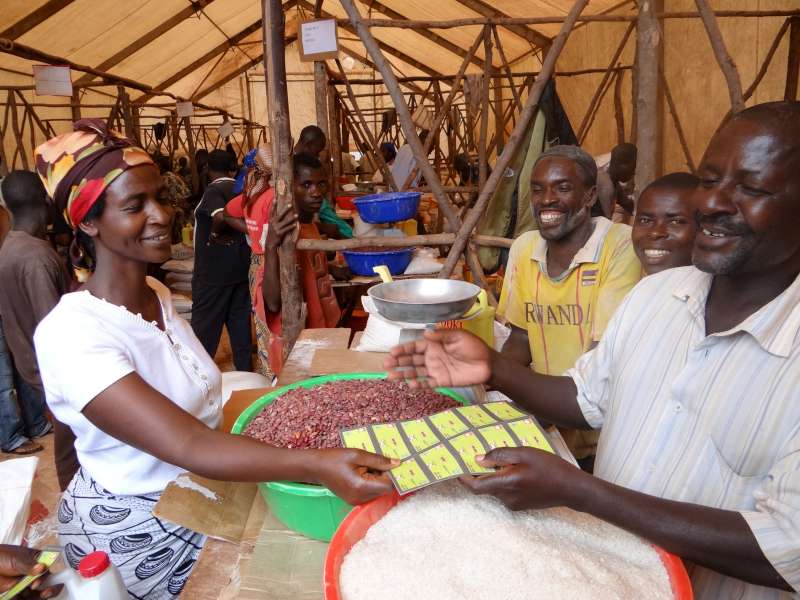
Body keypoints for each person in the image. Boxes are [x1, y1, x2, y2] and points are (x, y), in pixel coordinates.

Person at [386, 101, 800, 599]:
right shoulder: (656, 297)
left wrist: (581, 492)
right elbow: (587, 399)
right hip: (607, 579)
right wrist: (493, 367)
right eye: (709, 180)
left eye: (751, 189)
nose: (712, 203)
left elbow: (788, 550)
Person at [32, 120, 395, 599]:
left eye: (160, 197)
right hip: (138, 531)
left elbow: (202, 408)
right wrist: (316, 463)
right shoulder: (72, 333)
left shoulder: (157, 294)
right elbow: (188, 443)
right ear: (89, 222)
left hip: (196, 491)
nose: (162, 215)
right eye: (135, 206)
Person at [498, 145, 641, 465]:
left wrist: (535, 409)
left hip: (601, 438)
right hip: (547, 428)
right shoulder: (524, 248)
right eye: (538, 189)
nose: (547, 199)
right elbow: (521, 341)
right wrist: (485, 385)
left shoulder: (618, 247)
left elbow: (602, 365)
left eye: (563, 188)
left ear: (590, 196)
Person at [0, 172, 71, 457]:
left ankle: (36, 423)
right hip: (52, 371)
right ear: (45, 200)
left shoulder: (11, 245)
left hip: (29, 359)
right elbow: (54, 323)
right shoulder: (36, 257)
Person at [263, 153, 344, 375]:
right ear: (290, 187)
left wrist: (331, 270)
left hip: (320, 338)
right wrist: (271, 247)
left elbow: (309, 269)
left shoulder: (309, 223)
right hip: (300, 346)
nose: (316, 192)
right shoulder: (286, 233)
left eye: (321, 184)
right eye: (306, 185)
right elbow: (272, 302)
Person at [191, 149, 252, 371]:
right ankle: (246, 373)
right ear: (233, 168)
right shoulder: (242, 190)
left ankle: (199, 373)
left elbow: (219, 216)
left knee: (205, 327)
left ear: (207, 169)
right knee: (239, 325)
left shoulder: (215, 190)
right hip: (240, 268)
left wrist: (216, 234)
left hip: (214, 273)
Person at [223, 147, 275, 378]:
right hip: (271, 265)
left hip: (256, 264)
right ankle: (276, 375)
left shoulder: (252, 194)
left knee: (262, 322)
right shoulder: (274, 197)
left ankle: (267, 371)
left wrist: (251, 233)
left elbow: (226, 213)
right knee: (274, 325)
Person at [632, 172, 700, 276]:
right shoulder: (643, 289)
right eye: (645, 220)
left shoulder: (713, 291)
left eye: (676, 222)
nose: (655, 233)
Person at [595, 143, 637, 221]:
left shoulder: (612, 180)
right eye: (633, 167)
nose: (634, 172)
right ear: (621, 165)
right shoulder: (607, 187)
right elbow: (606, 223)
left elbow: (627, 204)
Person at [155, 155, 191, 243]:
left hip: (178, 211)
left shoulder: (164, 179)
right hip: (185, 210)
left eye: (155, 165)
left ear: (160, 166)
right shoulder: (174, 175)